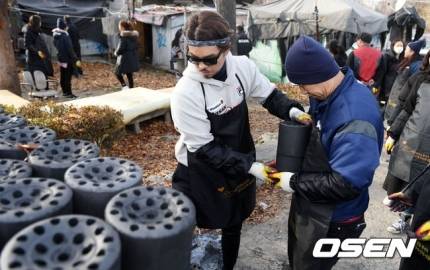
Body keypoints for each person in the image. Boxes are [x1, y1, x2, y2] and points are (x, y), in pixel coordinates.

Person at [170, 11, 310, 270]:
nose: (201, 67)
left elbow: (269, 96)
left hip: (239, 160)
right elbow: (204, 148)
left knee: (234, 221)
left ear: (226, 50)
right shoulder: (186, 92)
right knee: (183, 224)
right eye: (193, 59)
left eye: (209, 60)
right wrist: (253, 167)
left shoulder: (242, 67)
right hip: (199, 168)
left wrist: (293, 111)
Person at [268, 36, 383, 270]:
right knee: (299, 259)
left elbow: (346, 183)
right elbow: (323, 142)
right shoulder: (330, 92)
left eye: (302, 85)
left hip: (335, 218)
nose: (302, 91)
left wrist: (293, 181)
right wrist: (289, 163)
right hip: (312, 203)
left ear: (317, 76)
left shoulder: (354, 116)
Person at [383, 51, 430, 234]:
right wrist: (393, 133)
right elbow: (406, 109)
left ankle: (419, 222)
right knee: (407, 181)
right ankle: (403, 218)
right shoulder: (419, 79)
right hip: (411, 139)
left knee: (424, 186)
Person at [384, 39, 426, 124]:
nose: (405, 50)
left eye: (406, 49)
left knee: (392, 120)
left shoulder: (416, 66)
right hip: (395, 97)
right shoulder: (407, 61)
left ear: (412, 52)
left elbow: (413, 86)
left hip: (401, 100)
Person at [53, 18, 80, 98]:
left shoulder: (56, 34)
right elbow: (70, 49)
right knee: (67, 76)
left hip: (61, 58)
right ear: (64, 27)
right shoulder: (64, 36)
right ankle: (69, 93)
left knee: (63, 75)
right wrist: (75, 58)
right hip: (67, 59)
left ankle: (64, 92)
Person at [114, 20, 140, 90]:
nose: (119, 27)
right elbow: (137, 46)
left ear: (122, 27)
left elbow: (121, 48)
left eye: (119, 26)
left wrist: (116, 53)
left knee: (117, 72)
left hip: (124, 58)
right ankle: (131, 89)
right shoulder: (134, 36)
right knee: (129, 74)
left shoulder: (124, 36)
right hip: (132, 57)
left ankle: (124, 86)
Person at [380, 40, 405, 104]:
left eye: (401, 45)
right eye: (398, 45)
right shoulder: (387, 56)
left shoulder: (402, 57)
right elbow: (382, 71)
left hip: (396, 84)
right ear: (393, 46)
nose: (399, 47)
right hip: (386, 85)